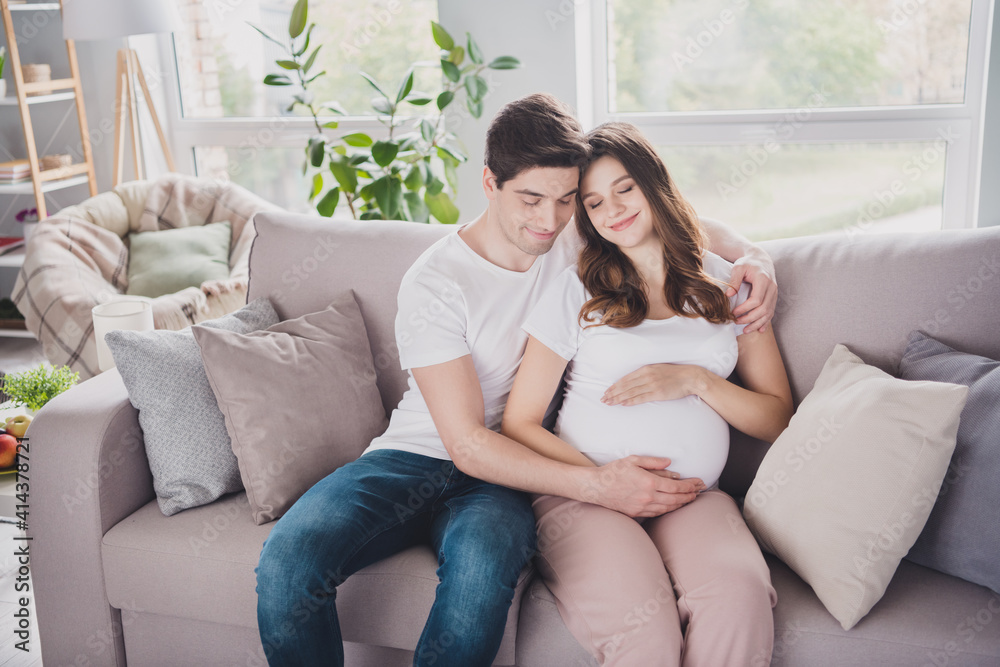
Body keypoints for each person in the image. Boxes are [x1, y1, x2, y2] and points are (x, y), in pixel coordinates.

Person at [255, 95, 779, 667]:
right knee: (287, 564)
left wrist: (756, 256)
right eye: (531, 199)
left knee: (480, 578)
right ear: (489, 182)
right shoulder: (436, 281)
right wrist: (600, 484)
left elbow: (674, 220)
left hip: (504, 476)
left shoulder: (578, 240)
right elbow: (467, 443)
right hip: (420, 455)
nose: (548, 220)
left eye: (565, 201)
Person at [501, 121, 794, 667]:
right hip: (585, 497)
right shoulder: (576, 289)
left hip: (693, 498)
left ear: (654, 183)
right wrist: (601, 482)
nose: (612, 210)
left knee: (739, 597)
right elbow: (520, 422)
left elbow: (778, 418)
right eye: (593, 202)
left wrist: (696, 380)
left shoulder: (728, 286)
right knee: (645, 634)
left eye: (624, 188)